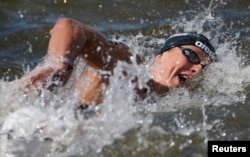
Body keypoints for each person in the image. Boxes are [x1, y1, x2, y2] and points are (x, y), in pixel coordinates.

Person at [19, 18, 217, 109]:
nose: (198, 68)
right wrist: (61, 67)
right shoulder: (130, 67)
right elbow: (69, 26)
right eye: (192, 55)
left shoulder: (166, 105)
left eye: (203, 66)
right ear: (159, 56)